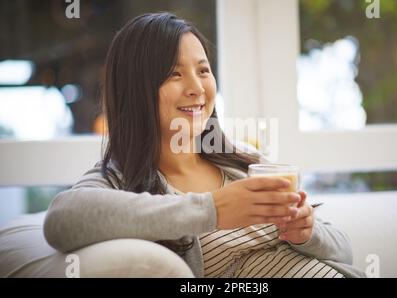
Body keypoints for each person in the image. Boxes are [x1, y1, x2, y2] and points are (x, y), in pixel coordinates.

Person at [43, 12, 365, 278]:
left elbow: (345, 252)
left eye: (203, 71)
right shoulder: (120, 180)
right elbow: (62, 220)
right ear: (135, 90)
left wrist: (307, 232)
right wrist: (211, 210)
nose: (197, 88)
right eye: (174, 74)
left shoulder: (244, 162)